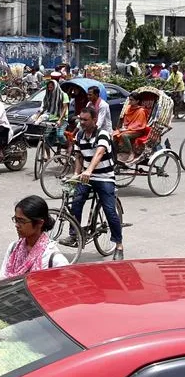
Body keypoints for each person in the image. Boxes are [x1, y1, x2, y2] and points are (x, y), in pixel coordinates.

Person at [62, 106, 124, 261]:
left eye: (85, 120)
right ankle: (74, 234)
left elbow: (99, 153)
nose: (81, 122)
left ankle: (119, 245)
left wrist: (89, 170)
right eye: (80, 119)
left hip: (104, 177)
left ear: (94, 120)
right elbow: (78, 157)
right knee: (76, 201)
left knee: (109, 210)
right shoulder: (80, 135)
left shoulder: (102, 134)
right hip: (86, 177)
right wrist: (76, 174)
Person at [0, 195, 69, 280]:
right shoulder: (13, 249)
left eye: (22, 221)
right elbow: (1, 281)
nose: (17, 225)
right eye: (16, 220)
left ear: (39, 223)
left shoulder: (55, 260)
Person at [114, 92, 151, 163]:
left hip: (138, 130)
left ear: (137, 101)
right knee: (114, 134)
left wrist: (127, 129)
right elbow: (126, 120)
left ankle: (131, 153)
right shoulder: (128, 108)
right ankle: (114, 153)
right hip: (128, 128)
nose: (130, 101)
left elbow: (139, 124)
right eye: (129, 100)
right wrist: (124, 127)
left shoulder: (141, 111)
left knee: (124, 136)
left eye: (132, 100)